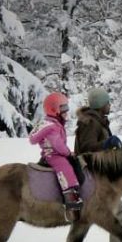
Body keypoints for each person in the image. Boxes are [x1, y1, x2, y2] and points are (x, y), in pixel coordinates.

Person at [73, 86, 122, 242]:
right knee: (115, 212)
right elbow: (87, 148)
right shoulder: (90, 122)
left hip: (97, 176)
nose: (110, 105)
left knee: (115, 212)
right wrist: (107, 143)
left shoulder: (98, 121)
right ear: (100, 105)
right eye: (107, 102)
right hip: (91, 178)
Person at [29, 91, 82, 221]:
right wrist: (68, 153)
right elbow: (57, 144)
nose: (66, 111)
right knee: (66, 169)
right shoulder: (52, 126)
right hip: (54, 155)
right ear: (54, 110)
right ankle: (71, 203)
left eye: (66, 108)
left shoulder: (50, 123)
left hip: (52, 153)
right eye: (63, 108)